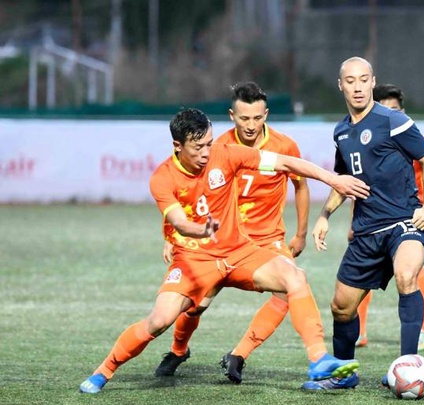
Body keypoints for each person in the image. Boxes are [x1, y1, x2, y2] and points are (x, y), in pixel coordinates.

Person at [79, 107, 369, 394]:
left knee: (295, 277)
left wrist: (332, 179)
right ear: (178, 146)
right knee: (159, 321)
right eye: (198, 147)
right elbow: (179, 221)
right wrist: (200, 230)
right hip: (195, 260)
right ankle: (104, 370)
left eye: (209, 143)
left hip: (238, 252)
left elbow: (285, 162)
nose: (207, 152)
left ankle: (318, 358)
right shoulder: (163, 178)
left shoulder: (226, 153)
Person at [153, 82, 311, 384]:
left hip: (268, 238)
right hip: (222, 240)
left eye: (257, 118)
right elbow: (184, 194)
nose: (251, 125)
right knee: (196, 304)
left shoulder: (285, 146)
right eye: (244, 118)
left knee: (288, 290)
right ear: (232, 116)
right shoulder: (215, 147)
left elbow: (300, 186)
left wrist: (301, 233)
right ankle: (178, 349)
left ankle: (239, 354)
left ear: (266, 115)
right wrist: (170, 237)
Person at [302, 56, 424, 391]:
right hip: (366, 232)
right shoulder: (341, 132)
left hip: (404, 223)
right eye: (351, 81)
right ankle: (344, 374)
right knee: (341, 308)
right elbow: (343, 181)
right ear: (341, 85)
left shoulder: (393, 120)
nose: (358, 87)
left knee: (407, 276)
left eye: (364, 79)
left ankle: (408, 366)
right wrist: (324, 216)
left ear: (373, 81)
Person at [354, 83, 424, 351]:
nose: (389, 114)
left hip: (412, 215)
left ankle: (423, 329)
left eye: (394, 109)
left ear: (403, 112)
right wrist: (353, 220)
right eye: (383, 109)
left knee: (411, 270)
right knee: (365, 270)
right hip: (377, 216)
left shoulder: (417, 141)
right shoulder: (367, 140)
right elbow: (360, 185)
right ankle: (359, 331)